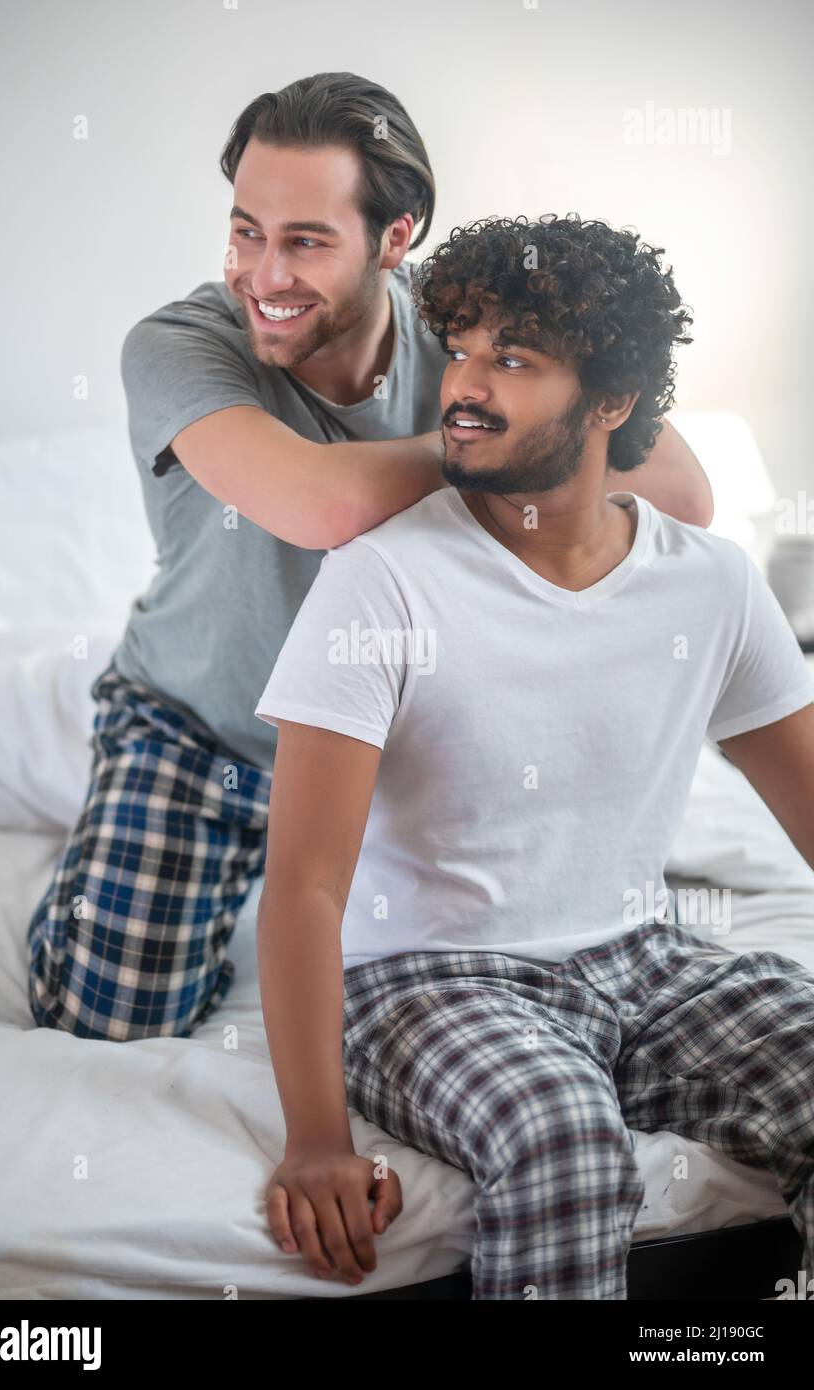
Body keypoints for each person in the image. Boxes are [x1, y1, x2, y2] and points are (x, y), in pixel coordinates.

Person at [27, 72, 712, 1042]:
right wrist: (503, 442)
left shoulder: (468, 325)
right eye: (245, 231)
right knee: (107, 1014)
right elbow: (321, 503)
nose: (263, 274)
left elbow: (685, 494)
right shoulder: (178, 346)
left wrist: (501, 415)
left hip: (399, 743)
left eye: (305, 240)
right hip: (208, 731)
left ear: (397, 240)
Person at [252, 211, 814, 1300]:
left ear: (612, 402)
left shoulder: (710, 582)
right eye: (459, 349)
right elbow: (306, 886)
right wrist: (315, 1137)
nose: (464, 385)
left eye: (511, 359)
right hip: (421, 979)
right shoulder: (384, 578)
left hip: (638, 960)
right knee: (566, 1144)